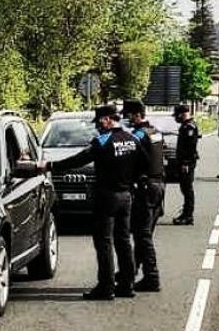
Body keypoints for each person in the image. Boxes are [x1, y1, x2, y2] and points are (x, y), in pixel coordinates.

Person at [40, 104, 146, 300]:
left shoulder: (103, 141)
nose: (97, 127)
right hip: (126, 196)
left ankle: (106, 288)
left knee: (104, 242)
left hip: (107, 197)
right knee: (123, 241)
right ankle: (127, 285)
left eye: (98, 122)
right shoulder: (132, 139)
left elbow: (79, 160)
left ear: (107, 119)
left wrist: (50, 166)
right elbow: (143, 166)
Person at [122, 99, 166, 292]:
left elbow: (130, 160)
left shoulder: (139, 135)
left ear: (137, 115)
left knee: (142, 235)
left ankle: (151, 277)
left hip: (145, 187)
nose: (127, 118)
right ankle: (132, 271)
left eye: (129, 114)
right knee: (144, 232)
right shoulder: (155, 132)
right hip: (158, 185)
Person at [172, 103, 200, 225]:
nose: (176, 118)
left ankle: (188, 215)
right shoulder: (185, 126)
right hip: (184, 161)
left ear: (183, 114)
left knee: (187, 189)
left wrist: (185, 163)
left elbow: (190, 147)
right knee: (185, 188)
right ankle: (186, 213)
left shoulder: (189, 127)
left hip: (187, 162)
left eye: (177, 115)